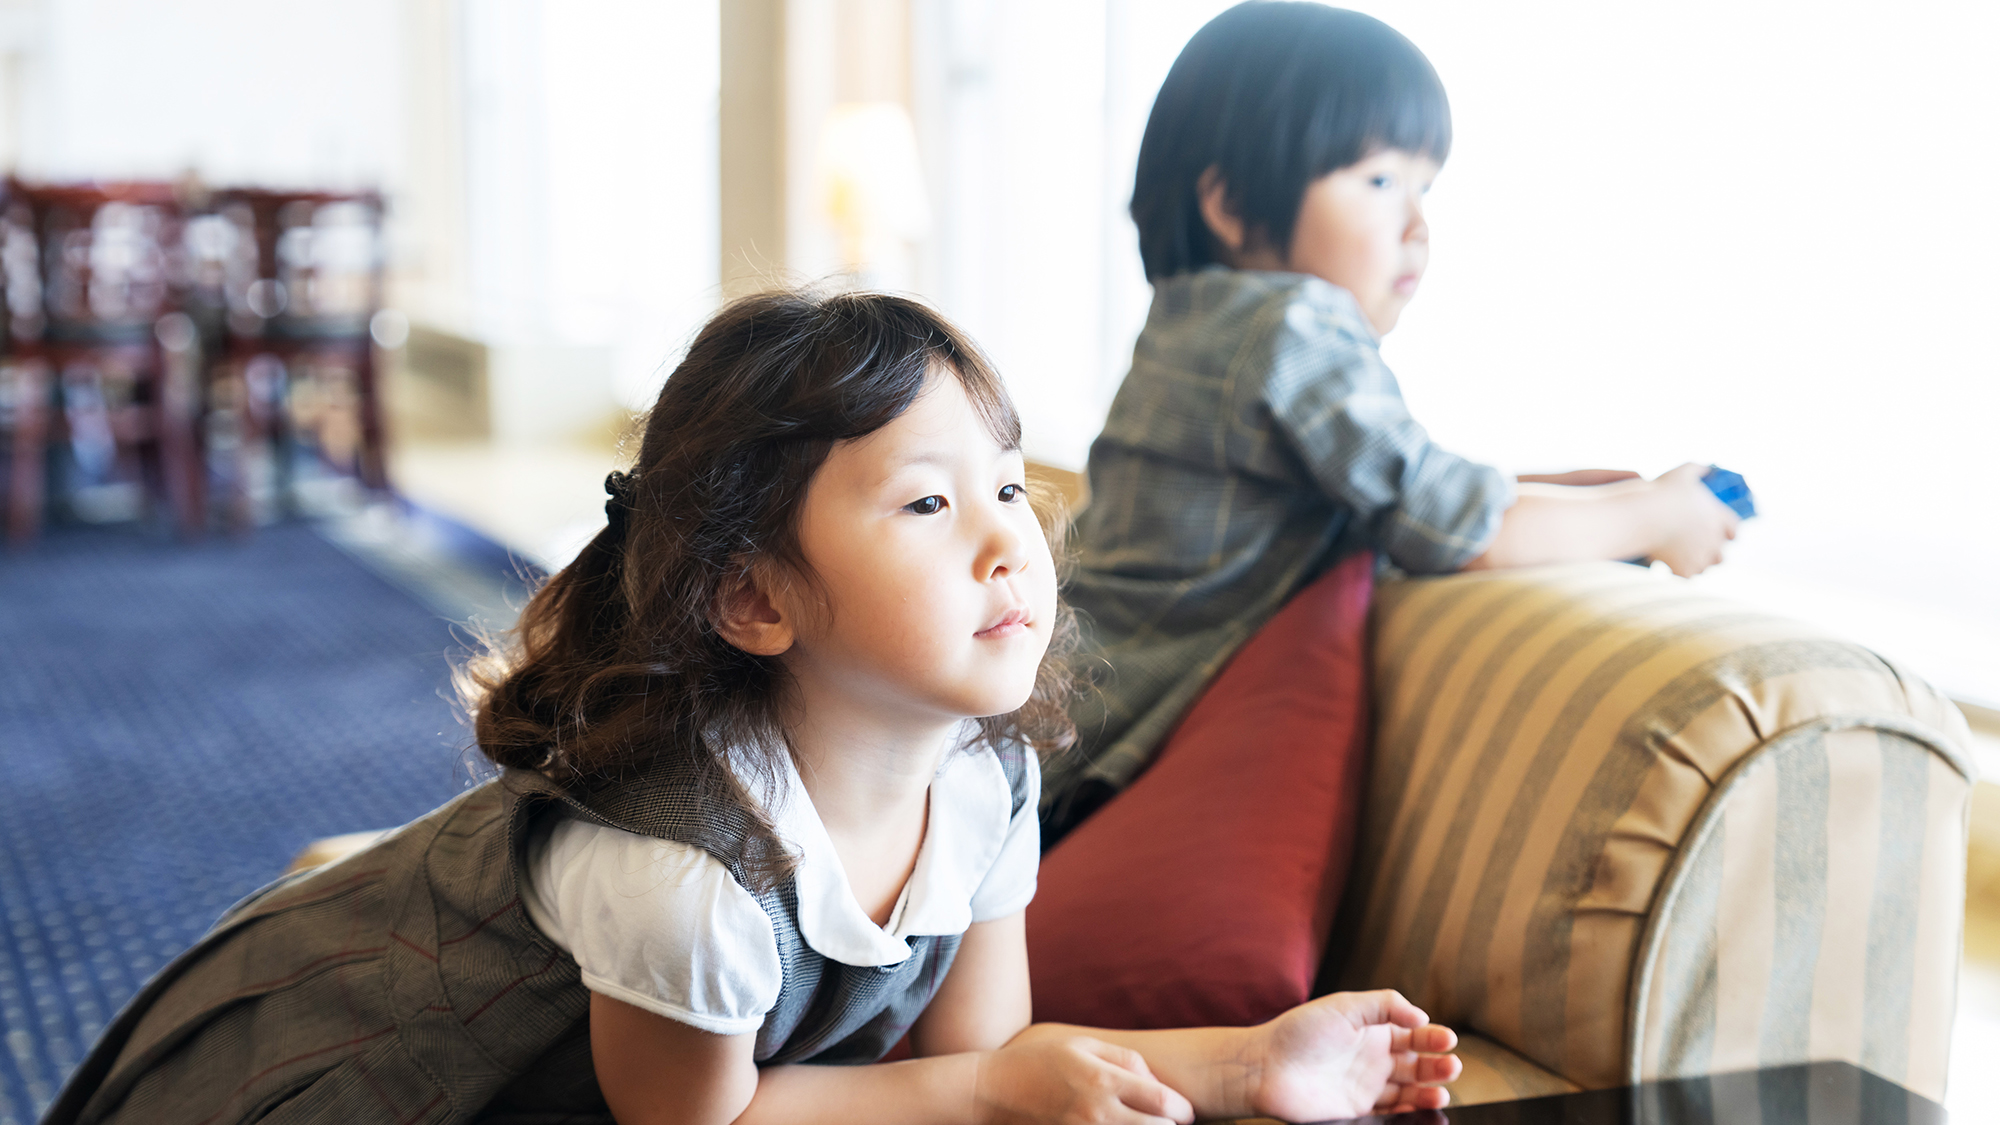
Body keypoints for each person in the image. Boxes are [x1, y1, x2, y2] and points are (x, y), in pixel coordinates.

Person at [48, 290, 1459, 1125]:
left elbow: (983, 1061)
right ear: (754, 601)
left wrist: (1252, 1066)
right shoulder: (683, 868)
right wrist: (983, 1097)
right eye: (927, 502)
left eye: (1012, 487)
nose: (1006, 540)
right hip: (372, 1076)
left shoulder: (978, 780)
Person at [1042, 2, 1742, 835]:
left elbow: (1375, 489)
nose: (1419, 226)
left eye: (1426, 187)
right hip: (1088, 750)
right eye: (1379, 181)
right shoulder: (1290, 324)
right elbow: (1447, 521)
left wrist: (1564, 494)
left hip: (1061, 703)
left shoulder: (1195, 320)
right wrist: (1658, 514)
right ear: (1231, 204)